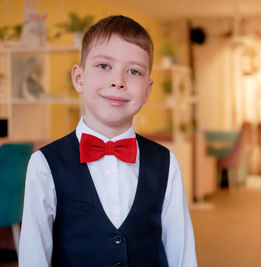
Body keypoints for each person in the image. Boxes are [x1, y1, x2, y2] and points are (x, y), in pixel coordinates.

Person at [19, 15, 197, 267]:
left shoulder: (166, 163)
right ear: (79, 78)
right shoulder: (44, 164)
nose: (118, 81)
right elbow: (33, 256)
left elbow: (182, 255)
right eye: (104, 66)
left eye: (134, 71)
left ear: (147, 90)